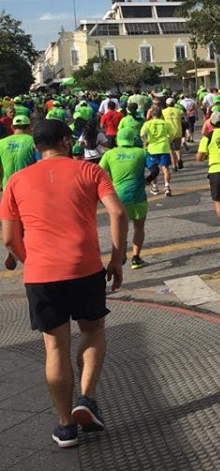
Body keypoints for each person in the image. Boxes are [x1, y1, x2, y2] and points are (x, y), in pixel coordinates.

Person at [0, 119, 127, 449]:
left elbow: (9, 238)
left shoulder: (15, 181)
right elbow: (118, 213)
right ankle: (86, 397)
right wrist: (116, 258)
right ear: (67, 141)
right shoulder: (90, 172)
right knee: (92, 331)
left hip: (42, 275)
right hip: (85, 269)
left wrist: (33, 260)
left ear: (36, 146)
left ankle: (66, 426)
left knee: (54, 347)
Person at [100, 128, 149, 270]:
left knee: (121, 227)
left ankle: (121, 250)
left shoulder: (109, 154)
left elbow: (99, 173)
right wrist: (149, 180)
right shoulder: (141, 152)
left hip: (118, 198)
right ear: (133, 139)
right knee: (139, 227)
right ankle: (136, 258)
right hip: (138, 196)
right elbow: (154, 168)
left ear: (117, 140)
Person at [0, 114, 38, 271]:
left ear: (13, 128)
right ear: (29, 128)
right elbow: (40, 164)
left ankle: (13, 250)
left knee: (11, 220)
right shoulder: (32, 142)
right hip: (29, 188)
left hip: (8, 187)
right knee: (31, 223)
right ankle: (29, 251)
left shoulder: (1, 143)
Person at [140, 107, 173, 197]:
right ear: (161, 115)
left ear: (151, 115)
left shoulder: (148, 123)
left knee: (154, 168)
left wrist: (145, 141)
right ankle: (167, 187)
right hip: (164, 147)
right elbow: (172, 134)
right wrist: (168, 141)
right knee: (165, 168)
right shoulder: (165, 123)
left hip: (152, 148)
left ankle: (155, 187)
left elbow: (142, 134)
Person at [161, 97, 185, 170]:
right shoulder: (178, 111)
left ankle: (174, 166)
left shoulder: (163, 111)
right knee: (177, 148)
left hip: (168, 133)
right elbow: (182, 120)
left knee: (171, 150)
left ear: (166, 104)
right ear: (174, 103)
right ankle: (179, 159)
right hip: (178, 131)